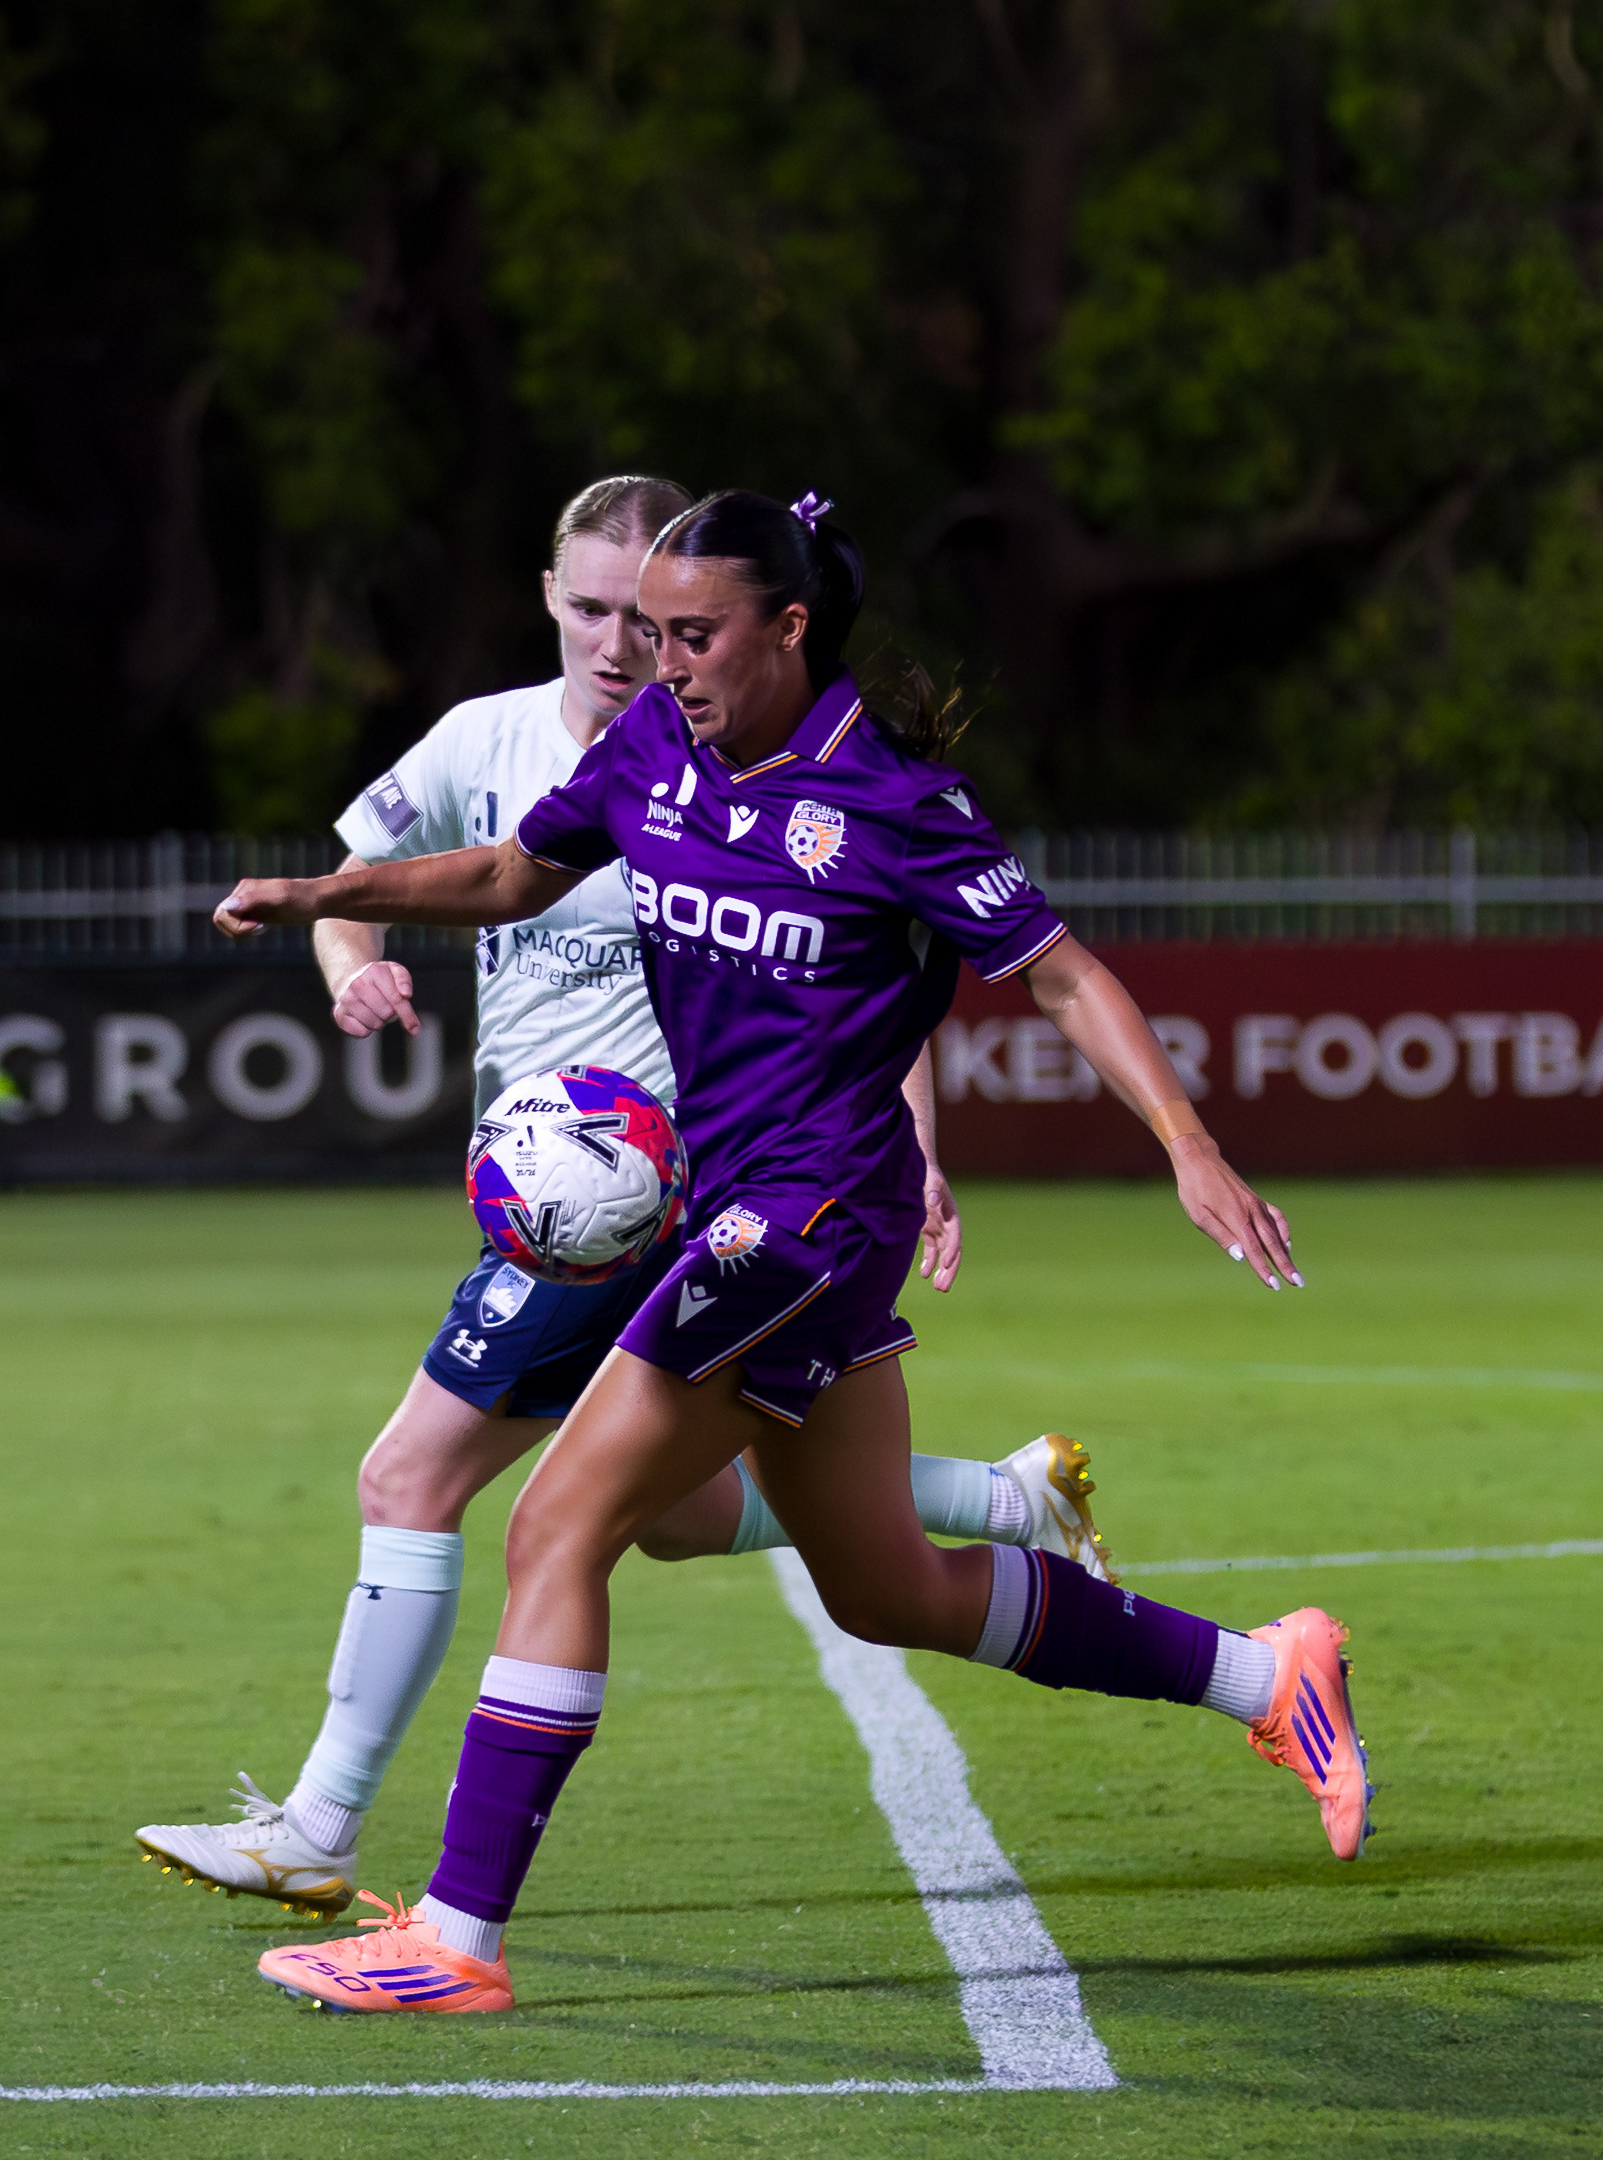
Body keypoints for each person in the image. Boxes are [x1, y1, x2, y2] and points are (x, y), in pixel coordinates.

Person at [213, 488, 1367, 2020]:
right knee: (889, 1589)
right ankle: (1270, 1675)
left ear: (791, 625)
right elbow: (508, 875)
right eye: (646, 630)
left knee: (557, 1528)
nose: (662, 661)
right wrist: (328, 895)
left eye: (693, 634)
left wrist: (1189, 1142)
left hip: (809, 1223)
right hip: (737, 1210)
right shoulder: (655, 750)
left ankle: (458, 1937)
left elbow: (1064, 977)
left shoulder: (895, 804)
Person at [134, 477, 1114, 1922]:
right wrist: (351, 961)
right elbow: (371, 885)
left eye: (648, 622)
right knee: (679, 1514)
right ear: (550, 596)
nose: (621, 646)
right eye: (594, 612)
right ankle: (1009, 1498)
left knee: (418, 1481)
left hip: (650, 1205)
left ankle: (324, 1830)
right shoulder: (489, 742)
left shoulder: (743, 757)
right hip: (555, 1191)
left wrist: (917, 1143)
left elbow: (849, 976)